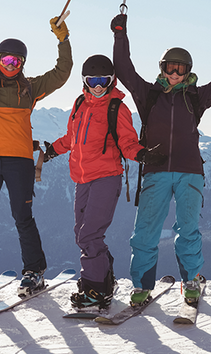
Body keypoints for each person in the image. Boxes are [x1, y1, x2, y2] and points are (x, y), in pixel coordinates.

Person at [110, 12, 211, 307]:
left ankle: (191, 280)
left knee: (187, 230)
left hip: (189, 172)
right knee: (145, 231)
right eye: (170, 67)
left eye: (180, 69)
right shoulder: (149, 94)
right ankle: (142, 286)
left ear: (187, 71)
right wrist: (120, 34)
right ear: (163, 68)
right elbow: (124, 68)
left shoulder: (196, 96)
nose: (175, 73)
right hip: (156, 171)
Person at [0, 0, 73, 298]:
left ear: (23, 65)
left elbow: (62, 72)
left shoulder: (30, 89)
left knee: (22, 217)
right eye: (6, 61)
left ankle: (34, 271)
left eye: (16, 62)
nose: (10, 66)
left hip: (19, 162)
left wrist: (63, 40)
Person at [42, 54, 166, 312]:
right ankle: (103, 278)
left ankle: (95, 289)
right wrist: (54, 149)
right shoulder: (79, 104)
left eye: (103, 81)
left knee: (90, 233)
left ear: (112, 80)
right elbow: (72, 137)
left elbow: (127, 142)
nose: (98, 86)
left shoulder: (116, 108)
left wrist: (142, 154)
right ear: (84, 81)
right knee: (81, 234)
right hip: (81, 179)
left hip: (106, 177)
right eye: (93, 80)